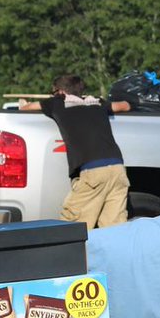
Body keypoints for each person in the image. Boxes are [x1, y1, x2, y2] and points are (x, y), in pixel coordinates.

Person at [19, 75, 132, 228]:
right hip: (118, 169)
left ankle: (67, 253)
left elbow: (27, 108)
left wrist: (23, 104)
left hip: (93, 172)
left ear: (59, 92)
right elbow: (125, 106)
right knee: (114, 228)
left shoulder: (56, 102)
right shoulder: (97, 101)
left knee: (72, 227)